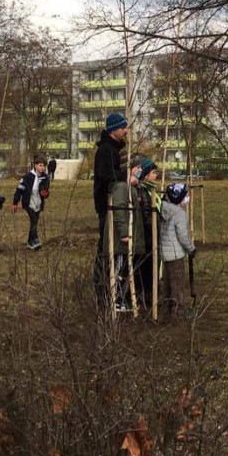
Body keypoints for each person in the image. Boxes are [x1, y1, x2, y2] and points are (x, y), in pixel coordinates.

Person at [93, 112, 131, 312]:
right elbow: (107, 175)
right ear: (114, 129)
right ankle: (104, 290)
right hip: (108, 206)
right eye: (123, 127)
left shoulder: (114, 149)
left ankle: (108, 289)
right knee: (107, 247)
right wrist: (127, 177)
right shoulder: (106, 150)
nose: (126, 131)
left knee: (111, 248)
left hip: (114, 204)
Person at [159, 182, 196, 317]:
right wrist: (191, 248)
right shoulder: (179, 214)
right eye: (186, 195)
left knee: (168, 282)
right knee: (178, 283)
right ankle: (178, 310)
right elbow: (183, 236)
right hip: (176, 254)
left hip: (165, 253)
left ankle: (166, 307)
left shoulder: (164, 209)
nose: (188, 197)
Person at [131, 157, 161, 311]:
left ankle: (151, 292)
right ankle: (146, 294)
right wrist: (156, 228)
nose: (156, 175)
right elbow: (147, 215)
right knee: (147, 267)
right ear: (146, 174)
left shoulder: (151, 189)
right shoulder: (143, 191)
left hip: (154, 234)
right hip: (149, 236)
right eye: (154, 172)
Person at [12, 156, 50, 250]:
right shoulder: (27, 177)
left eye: (44, 166)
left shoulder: (45, 178)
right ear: (35, 165)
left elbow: (46, 191)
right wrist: (15, 203)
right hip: (28, 202)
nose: (42, 168)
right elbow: (19, 190)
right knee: (33, 220)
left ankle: (30, 242)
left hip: (38, 203)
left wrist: (45, 194)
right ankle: (35, 239)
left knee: (35, 222)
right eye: (40, 165)